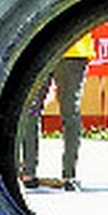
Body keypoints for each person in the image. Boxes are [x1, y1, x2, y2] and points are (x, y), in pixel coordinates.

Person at [19, 36, 89, 189]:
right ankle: (68, 176)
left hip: (41, 50)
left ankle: (28, 172)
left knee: (32, 111)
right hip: (74, 50)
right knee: (70, 112)